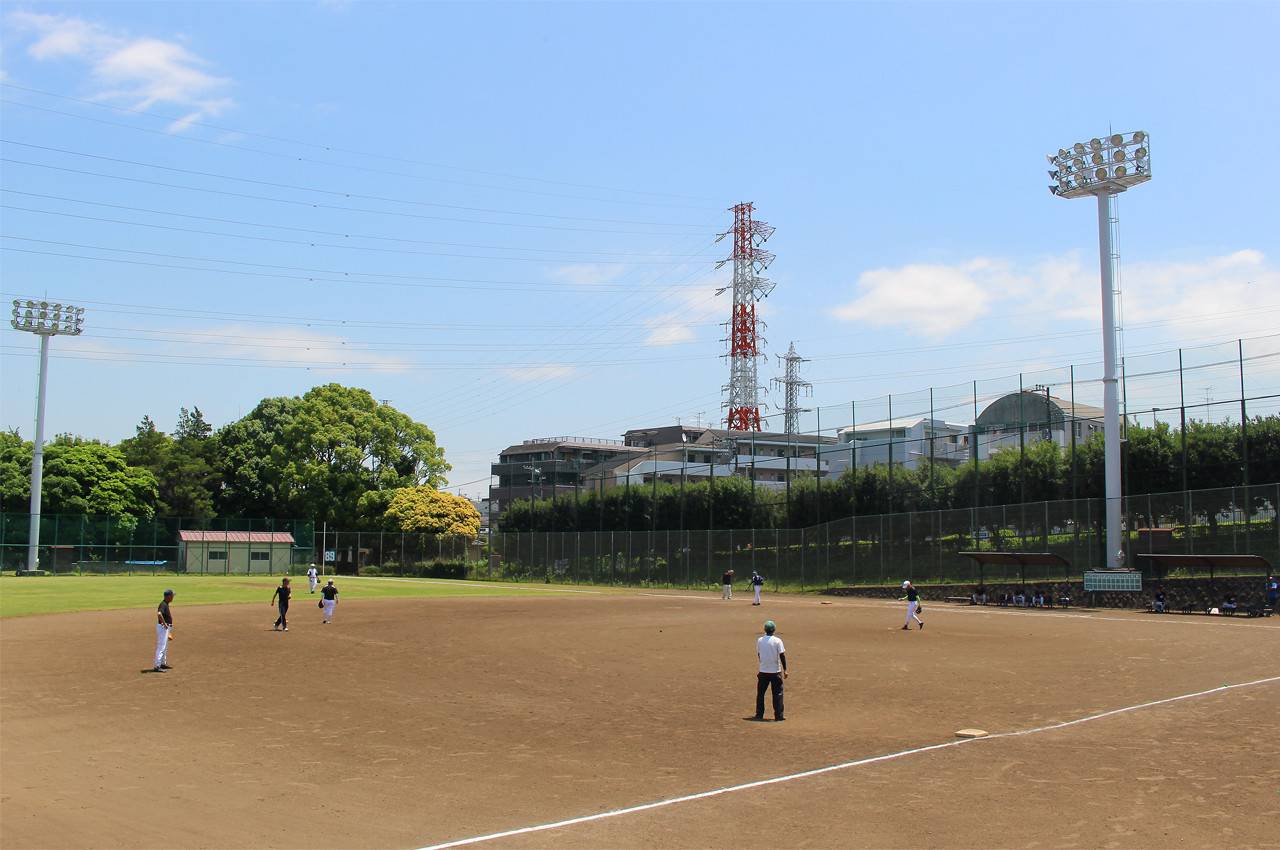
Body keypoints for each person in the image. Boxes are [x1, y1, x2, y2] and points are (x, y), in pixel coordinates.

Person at [753, 619, 786, 722]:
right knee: (777, 694)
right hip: (775, 671)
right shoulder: (777, 641)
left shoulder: (760, 640)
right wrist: (785, 669)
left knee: (761, 693)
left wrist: (762, 663)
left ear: (765, 629)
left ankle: (759, 714)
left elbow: (759, 654)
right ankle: (778, 716)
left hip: (763, 671)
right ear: (774, 630)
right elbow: (782, 655)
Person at [153, 588, 175, 672]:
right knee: (161, 647)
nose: (173, 597)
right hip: (163, 628)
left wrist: (168, 630)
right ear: (168, 596)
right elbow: (159, 614)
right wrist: (165, 625)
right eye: (172, 595)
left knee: (165, 647)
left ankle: (162, 663)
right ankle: (157, 666)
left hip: (165, 628)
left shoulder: (166, 604)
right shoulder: (163, 604)